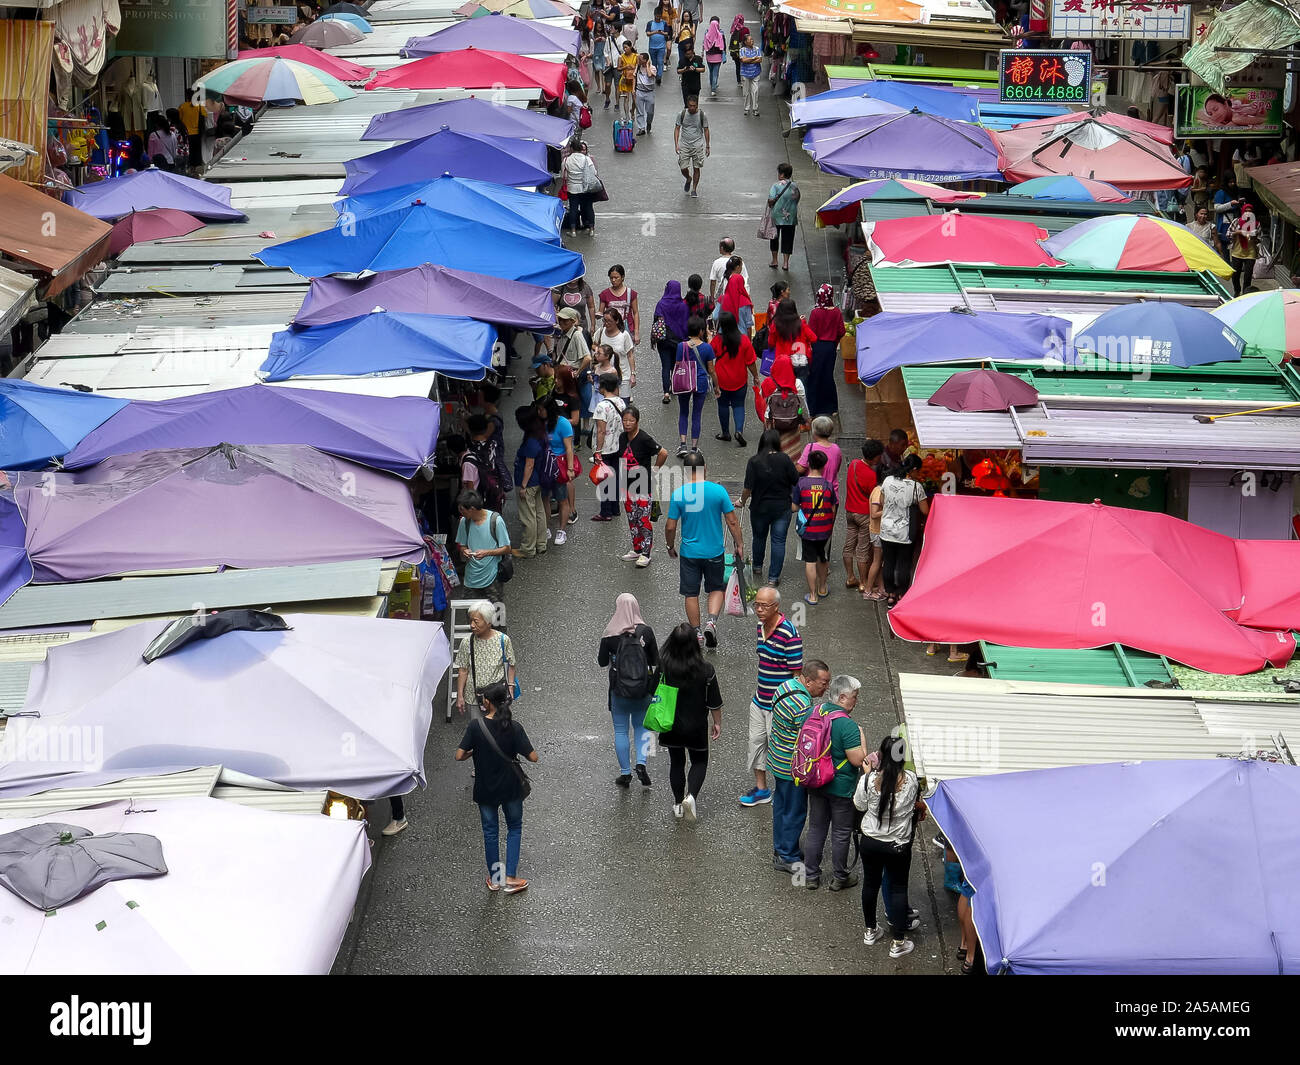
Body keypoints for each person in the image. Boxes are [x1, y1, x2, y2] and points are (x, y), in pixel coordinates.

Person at [456, 682, 538, 895]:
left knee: (490, 832)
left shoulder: (476, 727)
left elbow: (459, 755)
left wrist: (476, 750)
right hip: (511, 787)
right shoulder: (514, 727)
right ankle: (511, 877)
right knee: (514, 828)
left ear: (487, 702)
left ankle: (495, 878)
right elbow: (534, 757)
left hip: (485, 787)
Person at [855, 733, 926, 957]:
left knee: (870, 884)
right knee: (897, 889)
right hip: (898, 844)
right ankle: (898, 942)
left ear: (882, 755)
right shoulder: (912, 780)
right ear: (903, 757)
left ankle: (870, 930)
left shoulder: (868, 780)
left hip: (870, 841)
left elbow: (859, 804)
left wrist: (868, 775)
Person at [664, 450, 744, 647]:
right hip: (714, 551)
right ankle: (712, 622)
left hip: (689, 553)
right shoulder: (718, 492)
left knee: (691, 593)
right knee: (716, 587)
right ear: (705, 468)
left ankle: (697, 632)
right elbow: (732, 521)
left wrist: (670, 545)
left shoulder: (679, 494)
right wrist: (739, 544)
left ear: (686, 471)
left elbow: (670, 526)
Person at [802, 675, 867, 891]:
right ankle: (840, 877)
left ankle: (811, 876)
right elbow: (858, 760)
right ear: (842, 697)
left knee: (816, 828)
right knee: (840, 832)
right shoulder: (847, 725)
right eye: (854, 697)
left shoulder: (813, 713)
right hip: (841, 787)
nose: (856, 702)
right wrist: (862, 737)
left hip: (815, 781)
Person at [768, 659, 831, 872]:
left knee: (781, 805)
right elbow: (812, 737)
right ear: (809, 681)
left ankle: (782, 847)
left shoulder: (785, 686)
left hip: (777, 758)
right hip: (792, 766)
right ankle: (787, 855)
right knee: (795, 810)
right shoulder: (802, 706)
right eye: (823, 683)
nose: (826, 687)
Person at [656, 621, 722, 821]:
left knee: (676, 763)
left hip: (671, 724)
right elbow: (714, 702)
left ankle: (677, 803)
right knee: (699, 761)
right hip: (696, 726)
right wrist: (717, 723)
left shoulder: (664, 667)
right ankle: (691, 796)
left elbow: (652, 690)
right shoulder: (706, 669)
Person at [743, 585, 802, 806]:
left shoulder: (790, 633)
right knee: (757, 744)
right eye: (756, 604)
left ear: (776, 607)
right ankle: (761, 790)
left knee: (780, 749)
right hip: (760, 700)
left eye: (763, 605)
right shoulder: (760, 627)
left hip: (780, 706)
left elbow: (796, 674)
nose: (758, 609)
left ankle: (785, 792)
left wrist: (790, 705)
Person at [598, 593, 660, 788]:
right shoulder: (646, 632)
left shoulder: (610, 635)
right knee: (643, 728)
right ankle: (641, 763)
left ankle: (625, 773)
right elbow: (654, 661)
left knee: (621, 730)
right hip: (643, 691)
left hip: (619, 691)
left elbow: (601, 662)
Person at [737, 428, 800, 584]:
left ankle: (757, 566)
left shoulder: (754, 461)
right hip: (782, 508)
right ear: (777, 443)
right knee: (778, 541)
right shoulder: (785, 459)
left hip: (759, 508)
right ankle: (773, 577)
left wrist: (742, 501)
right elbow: (796, 480)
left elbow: (748, 488)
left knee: (759, 537)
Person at [617, 404, 668, 566]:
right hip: (627, 486)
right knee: (632, 519)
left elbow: (663, 453)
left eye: (631, 421)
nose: (627, 424)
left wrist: (654, 470)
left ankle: (646, 553)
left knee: (643, 520)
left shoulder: (644, 439)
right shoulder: (622, 438)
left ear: (637, 421)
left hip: (643, 486)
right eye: (624, 420)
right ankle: (637, 549)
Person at [875, 455, 928, 606]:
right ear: (914, 470)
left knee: (889, 562)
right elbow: (925, 510)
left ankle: (890, 594)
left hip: (886, 530)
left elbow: (882, 502)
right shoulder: (916, 487)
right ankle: (901, 594)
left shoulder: (888, 480)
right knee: (904, 564)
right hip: (905, 532)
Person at [454, 599, 518, 714]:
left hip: (497, 697)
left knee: (499, 729)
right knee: (479, 729)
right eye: (471, 621)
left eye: (476, 621)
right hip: (473, 696)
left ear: (488, 622)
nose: (472, 625)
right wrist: (460, 696)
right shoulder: (467, 642)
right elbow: (463, 670)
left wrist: (511, 686)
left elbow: (511, 665)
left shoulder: (503, 640)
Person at [671, 315, 720, 453]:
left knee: (683, 412)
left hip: (684, 381)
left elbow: (677, 365)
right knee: (697, 414)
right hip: (700, 382)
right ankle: (694, 447)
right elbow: (711, 370)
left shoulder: (681, 346)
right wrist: (717, 386)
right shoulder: (707, 348)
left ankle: (682, 445)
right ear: (701, 331)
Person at [795, 449, 837, 605]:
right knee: (823, 557)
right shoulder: (828, 486)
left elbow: (794, 507)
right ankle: (823, 588)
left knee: (810, 561)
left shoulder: (801, 484)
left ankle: (813, 596)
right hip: (824, 529)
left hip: (808, 530)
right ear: (824, 466)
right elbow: (832, 509)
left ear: (808, 465)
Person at [711, 310, 759, 445]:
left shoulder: (717, 340)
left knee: (723, 406)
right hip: (739, 379)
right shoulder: (743, 340)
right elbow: (750, 362)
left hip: (721, 380)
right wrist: (755, 376)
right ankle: (739, 430)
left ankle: (725, 433)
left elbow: (709, 356)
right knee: (739, 406)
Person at [454, 490, 511, 603]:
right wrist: (464, 551)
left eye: (462, 510)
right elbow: (462, 545)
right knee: (472, 615)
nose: (461, 513)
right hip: (471, 577)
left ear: (472, 509)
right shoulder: (464, 522)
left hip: (492, 577)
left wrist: (487, 553)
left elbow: (507, 548)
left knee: (495, 615)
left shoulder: (496, 521)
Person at [843, 439, 883, 597]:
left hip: (850, 511)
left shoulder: (853, 464)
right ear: (874, 457)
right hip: (864, 514)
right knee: (863, 550)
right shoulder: (871, 475)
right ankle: (863, 582)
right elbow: (874, 497)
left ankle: (850, 577)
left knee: (849, 545)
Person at [514, 407, 550, 558]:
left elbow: (529, 465)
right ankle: (541, 544)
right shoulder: (540, 434)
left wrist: (523, 486)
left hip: (528, 482)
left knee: (528, 516)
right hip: (538, 480)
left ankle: (528, 549)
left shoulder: (530, 441)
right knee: (539, 513)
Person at [591, 372, 627, 520]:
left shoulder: (601, 406)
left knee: (604, 479)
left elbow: (601, 430)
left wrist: (598, 451)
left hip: (605, 449)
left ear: (603, 386)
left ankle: (605, 512)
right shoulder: (621, 402)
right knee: (616, 478)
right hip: (618, 446)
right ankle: (615, 508)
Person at [806, 284, 845, 417]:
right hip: (830, 348)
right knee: (828, 376)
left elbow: (811, 333)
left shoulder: (816, 312)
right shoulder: (837, 312)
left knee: (814, 377)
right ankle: (832, 407)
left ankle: (812, 409)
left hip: (817, 347)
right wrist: (835, 342)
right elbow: (841, 331)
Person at [760, 353, 810, 459]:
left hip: (772, 421)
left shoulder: (768, 382)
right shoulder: (797, 384)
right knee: (791, 452)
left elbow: (763, 398)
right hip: (792, 422)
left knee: (772, 451)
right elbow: (802, 404)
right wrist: (806, 419)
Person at [543, 395, 577, 544]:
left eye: (541, 410)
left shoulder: (563, 423)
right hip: (544, 464)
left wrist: (570, 469)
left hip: (559, 463)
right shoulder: (541, 423)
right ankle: (546, 528)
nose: (539, 413)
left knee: (562, 499)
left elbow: (569, 448)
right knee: (544, 498)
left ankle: (561, 531)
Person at [653, 280, 690, 402]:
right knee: (675, 365)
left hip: (663, 340)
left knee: (665, 365)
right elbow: (686, 323)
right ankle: (675, 387)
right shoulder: (683, 305)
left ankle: (666, 393)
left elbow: (656, 321)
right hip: (678, 341)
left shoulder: (661, 304)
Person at [598, 264, 640, 368]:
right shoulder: (605, 294)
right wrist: (598, 316)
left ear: (622, 277)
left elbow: (635, 312)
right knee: (608, 354)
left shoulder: (631, 293)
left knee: (627, 354)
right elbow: (601, 311)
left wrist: (636, 332)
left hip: (626, 328)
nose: (613, 280)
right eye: (611, 278)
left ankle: (628, 375)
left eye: (616, 277)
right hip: (609, 329)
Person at [561, 140, 600, 236]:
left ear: (572, 148)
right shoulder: (587, 159)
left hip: (572, 188)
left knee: (573, 209)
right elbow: (594, 173)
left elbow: (564, 176)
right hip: (586, 187)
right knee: (588, 208)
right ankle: (591, 229)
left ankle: (573, 231)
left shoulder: (567, 160)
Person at [596, 307, 636, 399]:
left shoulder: (624, 335)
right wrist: (599, 351)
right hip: (604, 376)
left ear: (617, 321)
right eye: (604, 320)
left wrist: (633, 374)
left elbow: (630, 355)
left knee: (623, 406)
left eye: (609, 321)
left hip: (623, 376)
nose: (606, 324)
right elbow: (594, 345)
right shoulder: (601, 332)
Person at [767, 162, 801, 271]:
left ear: (781, 174)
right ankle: (786, 263)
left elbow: (771, 200)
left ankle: (775, 260)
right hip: (790, 218)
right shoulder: (795, 186)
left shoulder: (776, 186)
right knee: (788, 240)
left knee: (774, 239)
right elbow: (797, 199)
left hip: (777, 217)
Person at [674, 95, 710, 197]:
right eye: (690, 106)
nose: (692, 108)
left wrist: (707, 146)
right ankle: (688, 178)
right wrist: (676, 144)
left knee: (696, 167)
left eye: (694, 106)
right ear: (687, 105)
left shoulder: (702, 115)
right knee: (683, 167)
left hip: (697, 145)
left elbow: (706, 130)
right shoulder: (682, 114)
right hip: (685, 145)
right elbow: (677, 128)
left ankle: (694, 189)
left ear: (697, 105)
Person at [797, 416, 843, 487]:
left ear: (814, 432)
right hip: (831, 491)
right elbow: (836, 469)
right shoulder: (836, 448)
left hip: (812, 491)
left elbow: (800, 469)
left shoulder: (810, 447)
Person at [1228, 202, 1259, 296]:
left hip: (1250, 252)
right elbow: (1228, 234)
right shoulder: (1236, 221)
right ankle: (1237, 291)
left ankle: (1246, 293)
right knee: (1235, 275)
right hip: (1237, 252)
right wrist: (1238, 232)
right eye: (1246, 211)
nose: (1248, 213)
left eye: (1250, 211)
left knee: (1248, 275)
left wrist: (1254, 236)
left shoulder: (1256, 224)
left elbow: (1259, 239)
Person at [718, 268, 754, 336]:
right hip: (742, 337)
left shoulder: (722, 299)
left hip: (725, 336)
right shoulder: (745, 301)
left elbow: (715, 316)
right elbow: (748, 325)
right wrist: (748, 342)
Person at [739, 31, 762, 116]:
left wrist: (749, 60)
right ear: (745, 42)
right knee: (746, 92)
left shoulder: (757, 48)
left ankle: (755, 108)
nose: (752, 41)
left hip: (756, 73)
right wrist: (753, 58)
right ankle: (746, 108)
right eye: (750, 40)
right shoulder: (742, 50)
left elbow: (760, 59)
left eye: (752, 39)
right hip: (745, 74)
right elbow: (743, 60)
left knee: (755, 91)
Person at [702, 15, 726, 96]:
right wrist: (724, 53)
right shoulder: (721, 33)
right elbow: (724, 45)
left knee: (711, 72)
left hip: (709, 57)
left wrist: (703, 52)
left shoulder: (707, 33)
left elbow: (704, 44)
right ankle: (713, 89)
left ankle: (712, 84)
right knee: (715, 73)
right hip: (718, 57)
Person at [677, 40, 705, 108]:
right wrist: (684, 69)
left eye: (689, 54)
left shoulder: (698, 59)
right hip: (685, 85)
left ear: (692, 52)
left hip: (696, 86)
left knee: (694, 105)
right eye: (686, 54)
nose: (687, 55)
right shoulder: (682, 60)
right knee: (687, 105)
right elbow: (678, 71)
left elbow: (703, 69)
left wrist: (695, 69)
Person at [634, 52, 657, 135]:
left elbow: (650, 75)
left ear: (645, 60)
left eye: (640, 59)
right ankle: (641, 128)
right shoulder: (637, 67)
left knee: (650, 111)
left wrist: (647, 66)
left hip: (649, 92)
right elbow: (634, 77)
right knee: (640, 111)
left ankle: (649, 123)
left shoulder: (652, 68)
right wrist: (634, 89)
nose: (638, 61)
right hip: (639, 91)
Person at [646, 6, 669, 81]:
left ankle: (659, 76)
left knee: (660, 61)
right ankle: (655, 74)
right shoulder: (650, 23)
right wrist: (655, 32)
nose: (658, 17)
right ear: (654, 14)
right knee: (654, 62)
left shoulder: (664, 23)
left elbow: (667, 33)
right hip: (652, 47)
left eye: (659, 15)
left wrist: (662, 33)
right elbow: (648, 33)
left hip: (661, 47)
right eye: (657, 15)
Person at [617, 39, 638, 120]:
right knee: (626, 98)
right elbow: (618, 68)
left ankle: (632, 110)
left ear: (630, 47)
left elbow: (638, 66)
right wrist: (625, 67)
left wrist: (634, 68)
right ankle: (627, 116)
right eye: (623, 48)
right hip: (625, 78)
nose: (625, 49)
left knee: (634, 98)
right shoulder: (621, 57)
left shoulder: (636, 56)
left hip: (634, 79)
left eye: (626, 47)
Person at [728, 14, 747, 85]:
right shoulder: (745, 29)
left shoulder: (733, 30)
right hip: (745, 52)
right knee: (744, 65)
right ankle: (744, 79)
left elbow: (731, 42)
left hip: (736, 52)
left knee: (738, 66)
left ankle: (739, 81)